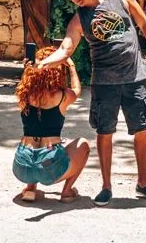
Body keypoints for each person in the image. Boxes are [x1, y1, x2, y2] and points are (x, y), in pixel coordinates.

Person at [38, 0, 146, 207]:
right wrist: (44, 62)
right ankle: (106, 186)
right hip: (104, 83)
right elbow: (66, 48)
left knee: (142, 129)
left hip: (134, 77)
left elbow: (144, 22)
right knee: (104, 132)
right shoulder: (79, 19)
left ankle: (143, 183)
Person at [13, 47, 90, 203]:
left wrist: (28, 70)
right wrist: (72, 67)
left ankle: (30, 189)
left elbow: (25, 83)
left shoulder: (24, 94)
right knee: (83, 144)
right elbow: (76, 89)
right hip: (48, 168)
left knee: (38, 149)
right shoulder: (62, 96)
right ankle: (67, 192)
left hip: (21, 166)